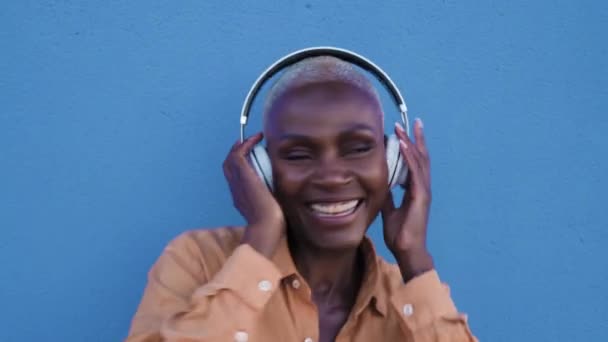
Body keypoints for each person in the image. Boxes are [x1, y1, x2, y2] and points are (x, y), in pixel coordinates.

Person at [126, 55, 477, 341]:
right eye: (298, 154)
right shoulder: (197, 261)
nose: (331, 176)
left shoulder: (412, 302)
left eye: (357, 148)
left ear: (395, 164)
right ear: (261, 170)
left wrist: (415, 259)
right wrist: (261, 238)